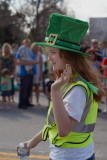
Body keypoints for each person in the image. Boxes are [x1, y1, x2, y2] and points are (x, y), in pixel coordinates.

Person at [17, 13, 104, 160]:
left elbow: (63, 130)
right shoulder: (67, 82)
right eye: (48, 52)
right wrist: (32, 142)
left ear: (68, 56)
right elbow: (54, 124)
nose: (49, 58)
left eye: (53, 52)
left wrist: (54, 91)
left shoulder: (77, 88)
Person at [16, 41, 37, 109]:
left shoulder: (30, 52)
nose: (28, 44)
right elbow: (18, 61)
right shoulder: (20, 51)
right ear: (23, 43)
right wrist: (29, 63)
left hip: (31, 72)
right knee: (24, 89)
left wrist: (32, 62)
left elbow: (35, 61)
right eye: (26, 42)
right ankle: (21, 103)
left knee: (29, 88)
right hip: (24, 73)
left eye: (29, 43)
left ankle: (26, 102)